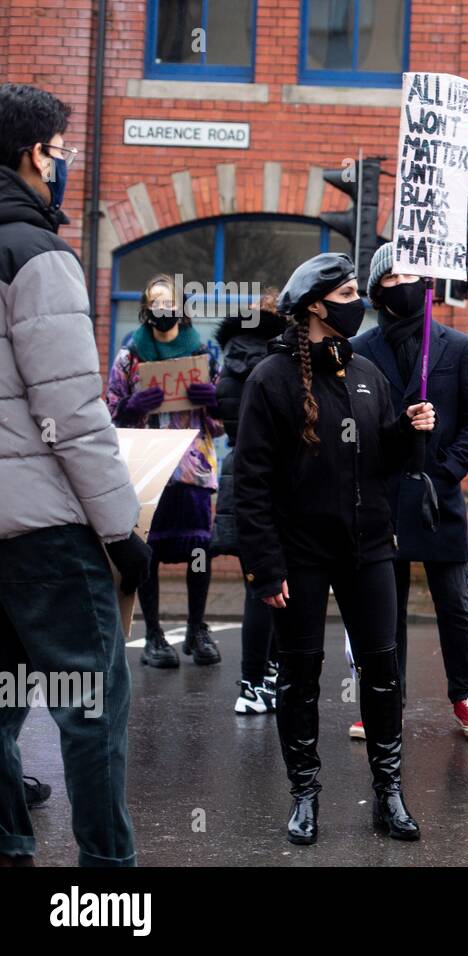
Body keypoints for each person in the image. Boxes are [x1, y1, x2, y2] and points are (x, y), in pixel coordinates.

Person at [234, 252, 434, 844]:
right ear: (317, 306)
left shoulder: (366, 372)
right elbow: (252, 482)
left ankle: (389, 793)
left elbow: (380, 460)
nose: (358, 302)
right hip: (300, 554)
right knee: (299, 674)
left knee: (382, 670)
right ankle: (305, 794)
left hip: (370, 547)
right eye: (347, 293)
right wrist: (264, 569)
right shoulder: (271, 379)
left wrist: (407, 431)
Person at [0, 82, 149, 866]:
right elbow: (72, 415)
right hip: (49, 535)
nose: (62, 165)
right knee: (89, 709)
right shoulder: (37, 254)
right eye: (60, 151)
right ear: (36, 155)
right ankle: (105, 886)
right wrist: (121, 530)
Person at [353, 242, 468, 739]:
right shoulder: (358, 351)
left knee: (453, 603)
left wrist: (446, 471)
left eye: (409, 276)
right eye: (390, 279)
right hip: (381, 499)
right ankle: (382, 698)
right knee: (382, 606)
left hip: (438, 498)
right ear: (376, 291)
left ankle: (466, 695)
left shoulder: (457, 347)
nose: (401, 286)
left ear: (427, 285)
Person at [107, 273, 223, 667]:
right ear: (146, 308)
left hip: (193, 469)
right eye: (154, 303)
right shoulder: (130, 357)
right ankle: (154, 634)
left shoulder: (204, 353)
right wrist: (131, 407)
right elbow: (106, 414)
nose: (162, 310)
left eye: (168, 302)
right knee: (149, 551)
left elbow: (223, 422)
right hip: (147, 467)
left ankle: (195, 630)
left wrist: (213, 402)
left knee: (198, 550)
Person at [213, 288, 286, 714]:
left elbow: (229, 424)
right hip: (279, 480)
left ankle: (250, 684)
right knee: (280, 585)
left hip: (240, 475)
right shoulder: (280, 358)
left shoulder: (230, 359)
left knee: (255, 586)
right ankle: (270, 677)